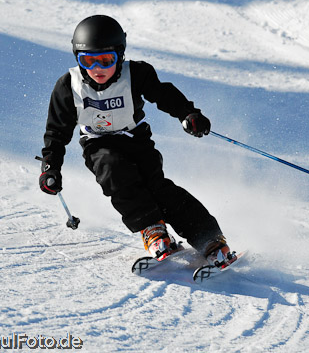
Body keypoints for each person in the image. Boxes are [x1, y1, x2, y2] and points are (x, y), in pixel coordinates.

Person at [39, 14, 236, 267]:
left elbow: (163, 94)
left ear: (119, 55)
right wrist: (50, 167)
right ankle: (152, 229)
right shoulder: (69, 86)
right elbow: (56, 132)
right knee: (114, 172)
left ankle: (209, 239)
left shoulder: (136, 74)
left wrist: (188, 114)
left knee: (158, 189)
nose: (97, 69)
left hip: (136, 139)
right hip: (97, 144)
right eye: (87, 61)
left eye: (105, 60)